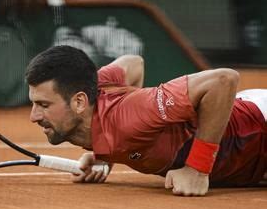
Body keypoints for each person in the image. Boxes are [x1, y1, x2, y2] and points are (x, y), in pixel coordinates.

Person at [26, 45, 267, 196]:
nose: (33, 116)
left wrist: (197, 168)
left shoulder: (136, 113)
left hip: (259, 129)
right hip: (248, 151)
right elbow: (133, 62)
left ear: (79, 102)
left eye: (44, 105)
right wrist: (104, 156)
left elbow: (223, 80)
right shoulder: (92, 91)